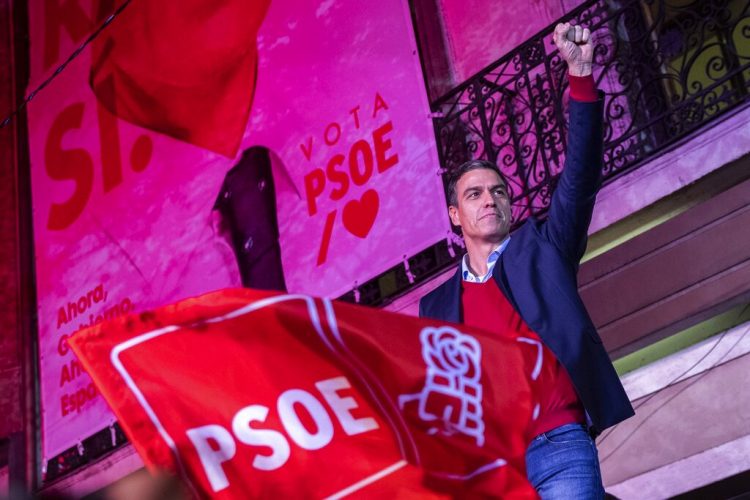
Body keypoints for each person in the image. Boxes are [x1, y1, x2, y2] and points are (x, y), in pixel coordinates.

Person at [419, 22, 634, 498]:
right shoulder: (433, 307)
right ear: (456, 215)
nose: (489, 200)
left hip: (559, 444)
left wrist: (580, 77)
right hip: (494, 468)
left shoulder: (543, 247)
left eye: (498, 192)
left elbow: (578, 177)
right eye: (474, 194)